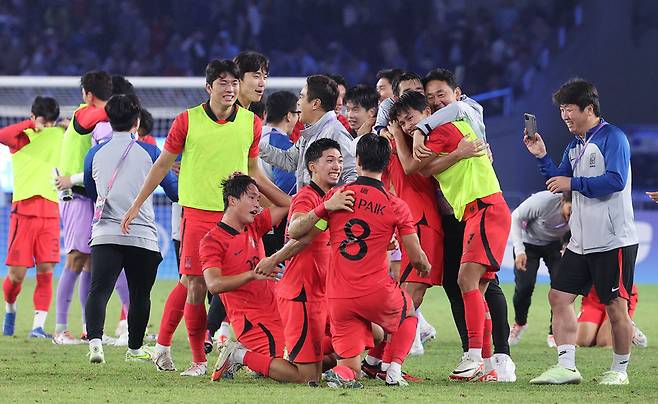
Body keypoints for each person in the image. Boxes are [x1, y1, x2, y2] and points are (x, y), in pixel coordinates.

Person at [121, 59, 289, 377]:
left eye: (234, 83)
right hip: (197, 214)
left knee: (236, 286)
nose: (230, 89)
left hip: (237, 216)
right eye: (223, 83)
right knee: (195, 284)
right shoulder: (187, 121)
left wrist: (284, 204)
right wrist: (136, 204)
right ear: (209, 87)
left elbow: (255, 173)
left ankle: (178, 347)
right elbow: (160, 166)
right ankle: (198, 360)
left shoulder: (250, 124)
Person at [287, 134, 431, 387]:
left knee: (350, 367)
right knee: (408, 312)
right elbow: (416, 257)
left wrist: (325, 209)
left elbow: (299, 232)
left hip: (339, 297)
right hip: (375, 291)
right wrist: (424, 265)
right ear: (387, 165)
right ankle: (393, 369)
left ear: (359, 161)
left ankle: (343, 374)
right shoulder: (395, 205)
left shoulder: (339, 197)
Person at [391, 91, 512, 382]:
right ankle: (486, 362)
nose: (408, 125)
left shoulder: (441, 129)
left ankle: (473, 357)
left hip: (484, 206)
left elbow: (411, 167)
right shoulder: (447, 130)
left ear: (426, 112)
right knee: (477, 289)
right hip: (479, 210)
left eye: (411, 118)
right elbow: (427, 171)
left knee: (465, 282)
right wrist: (454, 153)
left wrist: (403, 134)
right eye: (402, 122)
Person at [525, 79, 638, 386]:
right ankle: (567, 367)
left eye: (569, 109)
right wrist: (541, 156)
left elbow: (615, 181)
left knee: (615, 307)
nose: (564, 116)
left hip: (613, 240)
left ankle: (619, 371)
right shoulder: (575, 145)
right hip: (581, 241)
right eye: (561, 109)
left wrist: (572, 185)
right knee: (559, 296)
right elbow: (559, 179)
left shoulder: (613, 138)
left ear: (589, 109)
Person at [83, 94, 178, 364]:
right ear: (137, 121)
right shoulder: (150, 152)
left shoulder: (94, 153)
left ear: (109, 120)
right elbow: (173, 192)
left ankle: (95, 344)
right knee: (140, 295)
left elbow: (92, 191)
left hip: (104, 233)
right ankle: (135, 349)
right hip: (142, 235)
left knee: (98, 290)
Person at [202, 173, 318, 384]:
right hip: (252, 320)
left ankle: (252, 359)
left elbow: (287, 205)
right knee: (301, 376)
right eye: (252, 198)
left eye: (258, 199)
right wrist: (252, 274)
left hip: (279, 310)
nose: (257, 205)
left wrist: (257, 180)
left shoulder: (253, 226)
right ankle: (238, 354)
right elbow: (214, 284)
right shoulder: (212, 240)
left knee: (318, 362)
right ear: (232, 200)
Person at [252, 138, 344, 384]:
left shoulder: (334, 197)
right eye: (330, 160)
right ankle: (242, 356)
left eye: (340, 160)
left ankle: (297, 356)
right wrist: (325, 208)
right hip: (301, 293)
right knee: (306, 379)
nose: (337, 166)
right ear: (312, 167)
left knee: (367, 337)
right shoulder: (306, 197)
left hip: (325, 292)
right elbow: (295, 230)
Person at [53, 70, 113, 344]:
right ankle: (60, 329)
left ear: (87, 93)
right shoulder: (82, 115)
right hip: (74, 195)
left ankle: (90, 328)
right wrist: (118, 111)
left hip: (87, 195)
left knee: (90, 262)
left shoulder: (84, 117)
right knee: (76, 258)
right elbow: (95, 115)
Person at [1, 96, 63, 338]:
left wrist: (65, 126)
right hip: (23, 213)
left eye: (50, 123)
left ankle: (38, 326)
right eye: (43, 121)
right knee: (16, 276)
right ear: (34, 117)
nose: (46, 126)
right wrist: (29, 125)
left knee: (46, 269)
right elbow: (2, 135)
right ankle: (10, 308)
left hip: (50, 212)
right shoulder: (22, 137)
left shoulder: (60, 135)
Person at [260, 75, 356, 190]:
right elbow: (289, 160)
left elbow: (353, 176)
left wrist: (332, 203)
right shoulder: (310, 133)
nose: (298, 102)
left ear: (315, 104)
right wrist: (254, 144)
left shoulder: (336, 133)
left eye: (301, 97)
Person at [508, 191, 571, 347]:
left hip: (556, 246)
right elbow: (515, 216)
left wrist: (567, 246)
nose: (572, 218)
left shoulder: (584, 209)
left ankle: (554, 332)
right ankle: (519, 323)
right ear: (562, 201)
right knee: (524, 287)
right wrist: (520, 250)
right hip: (529, 244)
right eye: (570, 211)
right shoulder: (543, 201)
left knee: (561, 289)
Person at [576, 285, 646, 348]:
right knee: (583, 342)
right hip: (594, 293)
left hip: (617, 292)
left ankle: (631, 331)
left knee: (605, 342)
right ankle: (599, 329)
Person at [344, 84, 378, 149]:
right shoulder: (345, 133)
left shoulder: (380, 135)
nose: (350, 115)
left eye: (355, 110)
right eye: (348, 109)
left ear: (372, 112)